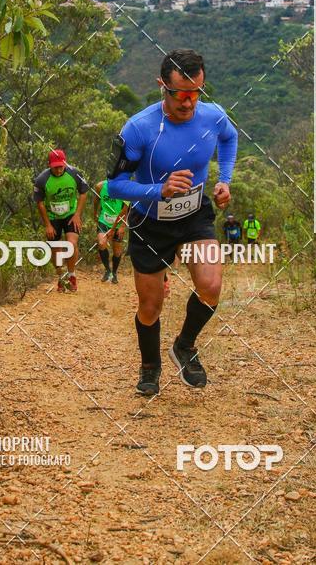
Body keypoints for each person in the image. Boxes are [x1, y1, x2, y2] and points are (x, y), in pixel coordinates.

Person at [108, 49, 238, 396]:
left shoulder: (213, 116)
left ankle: (185, 345)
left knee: (211, 287)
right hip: (151, 222)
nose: (188, 103)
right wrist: (157, 190)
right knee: (150, 307)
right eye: (180, 94)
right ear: (161, 86)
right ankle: (150, 367)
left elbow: (229, 138)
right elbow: (114, 185)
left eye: (196, 93)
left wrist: (224, 179)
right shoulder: (139, 128)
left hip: (194, 213)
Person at [33, 150, 88, 292]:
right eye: (55, 167)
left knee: (71, 244)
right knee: (55, 249)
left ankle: (71, 275)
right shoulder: (42, 180)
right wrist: (47, 225)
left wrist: (77, 215)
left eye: (61, 167)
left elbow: (83, 193)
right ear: (49, 165)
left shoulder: (75, 174)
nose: (58, 170)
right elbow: (39, 203)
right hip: (52, 217)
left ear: (65, 163)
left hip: (70, 214)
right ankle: (61, 276)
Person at [94, 179, 129, 284]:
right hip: (104, 220)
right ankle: (107, 270)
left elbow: (125, 210)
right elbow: (96, 199)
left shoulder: (125, 189)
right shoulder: (100, 186)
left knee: (117, 251)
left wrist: (122, 226)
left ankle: (114, 272)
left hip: (119, 222)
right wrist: (94, 212)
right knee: (101, 243)